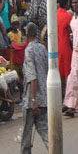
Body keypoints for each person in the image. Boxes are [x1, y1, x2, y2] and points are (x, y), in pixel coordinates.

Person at [21, 22, 49, 154]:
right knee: (45, 132)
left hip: (32, 101)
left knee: (26, 135)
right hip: (44, 97)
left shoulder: (29, 50)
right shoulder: (42, 48)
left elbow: (32, 77)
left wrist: (33, 100)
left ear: (26, 34)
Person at [57, 0, 73, 96]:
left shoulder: (54, 15)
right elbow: (72, 32)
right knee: (68, 73)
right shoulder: (68, 16)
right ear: (67, 4)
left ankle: (60, 94)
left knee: (59, 72)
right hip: (66, 46)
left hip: (57, 47)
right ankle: (68, 96)